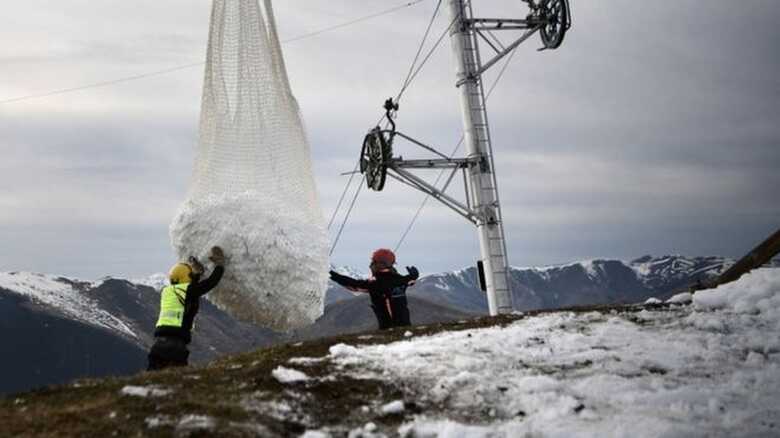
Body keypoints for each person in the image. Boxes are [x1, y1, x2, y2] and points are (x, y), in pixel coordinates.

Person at [147, 246, 225, 371]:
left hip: (158, 344)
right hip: (175, 346)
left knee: (151, 381)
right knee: (177, 382)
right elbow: (211, 282)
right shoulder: (187, 291)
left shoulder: (167, 292)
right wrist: (220, 265)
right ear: (186, 277)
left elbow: (189, 290)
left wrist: (197, 275)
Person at [329, 248, 419, 330]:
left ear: (377, 264)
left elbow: (353, 285)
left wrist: (331, 274)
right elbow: (411, 279)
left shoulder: (375, 283)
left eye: (373, 262)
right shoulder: (402, 279)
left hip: (389, 329)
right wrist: (414, 275)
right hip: (406, 328)